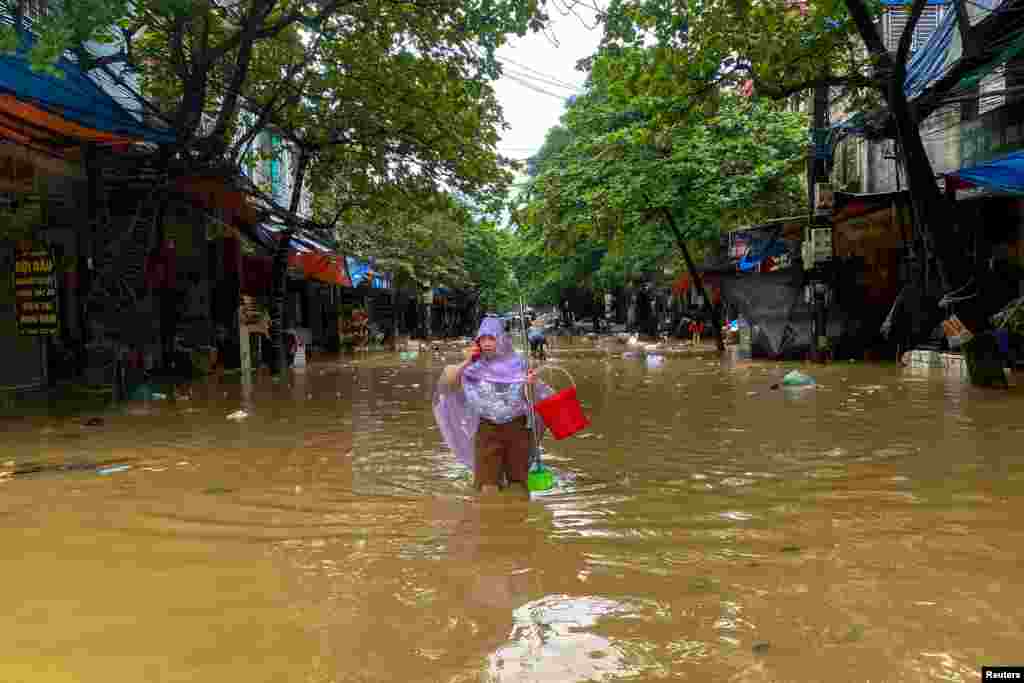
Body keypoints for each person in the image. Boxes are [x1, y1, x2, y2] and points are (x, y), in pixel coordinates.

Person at [433, 316, 552, 497]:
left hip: (518, 428)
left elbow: (533, 399)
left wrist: (530, 383)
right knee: (487, 487)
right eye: (483, 339)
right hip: (487, 430)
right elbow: (448, 384)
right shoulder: (474, 367)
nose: (487, 343)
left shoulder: (519, 363)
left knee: (518, 485)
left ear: (501, 339)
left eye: (491, 338)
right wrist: (468, 361)